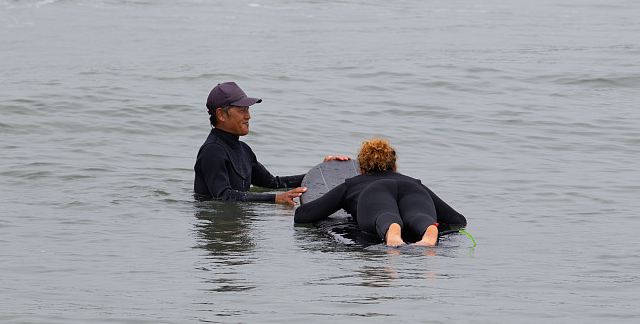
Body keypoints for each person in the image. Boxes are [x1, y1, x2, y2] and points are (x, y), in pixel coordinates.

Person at [194, 82, 349, 203]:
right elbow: (223, 196)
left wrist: (321, 171)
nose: (248, 116)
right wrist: (275, 199)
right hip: (218, 232)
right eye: (242, 110)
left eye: (248, 110)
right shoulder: (212, 150)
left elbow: (274, 183)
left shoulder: (244, 150)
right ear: (221, 115)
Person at [294, 138, 466, 246]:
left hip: (374, 193)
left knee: (385, 216)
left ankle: (393, 234)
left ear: (361, 169)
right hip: (414, 192)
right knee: (418, 217)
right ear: (396, 167)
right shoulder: (414, 182)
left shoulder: (353, 183)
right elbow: (457, 220)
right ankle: (428, 231)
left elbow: (304, 215)